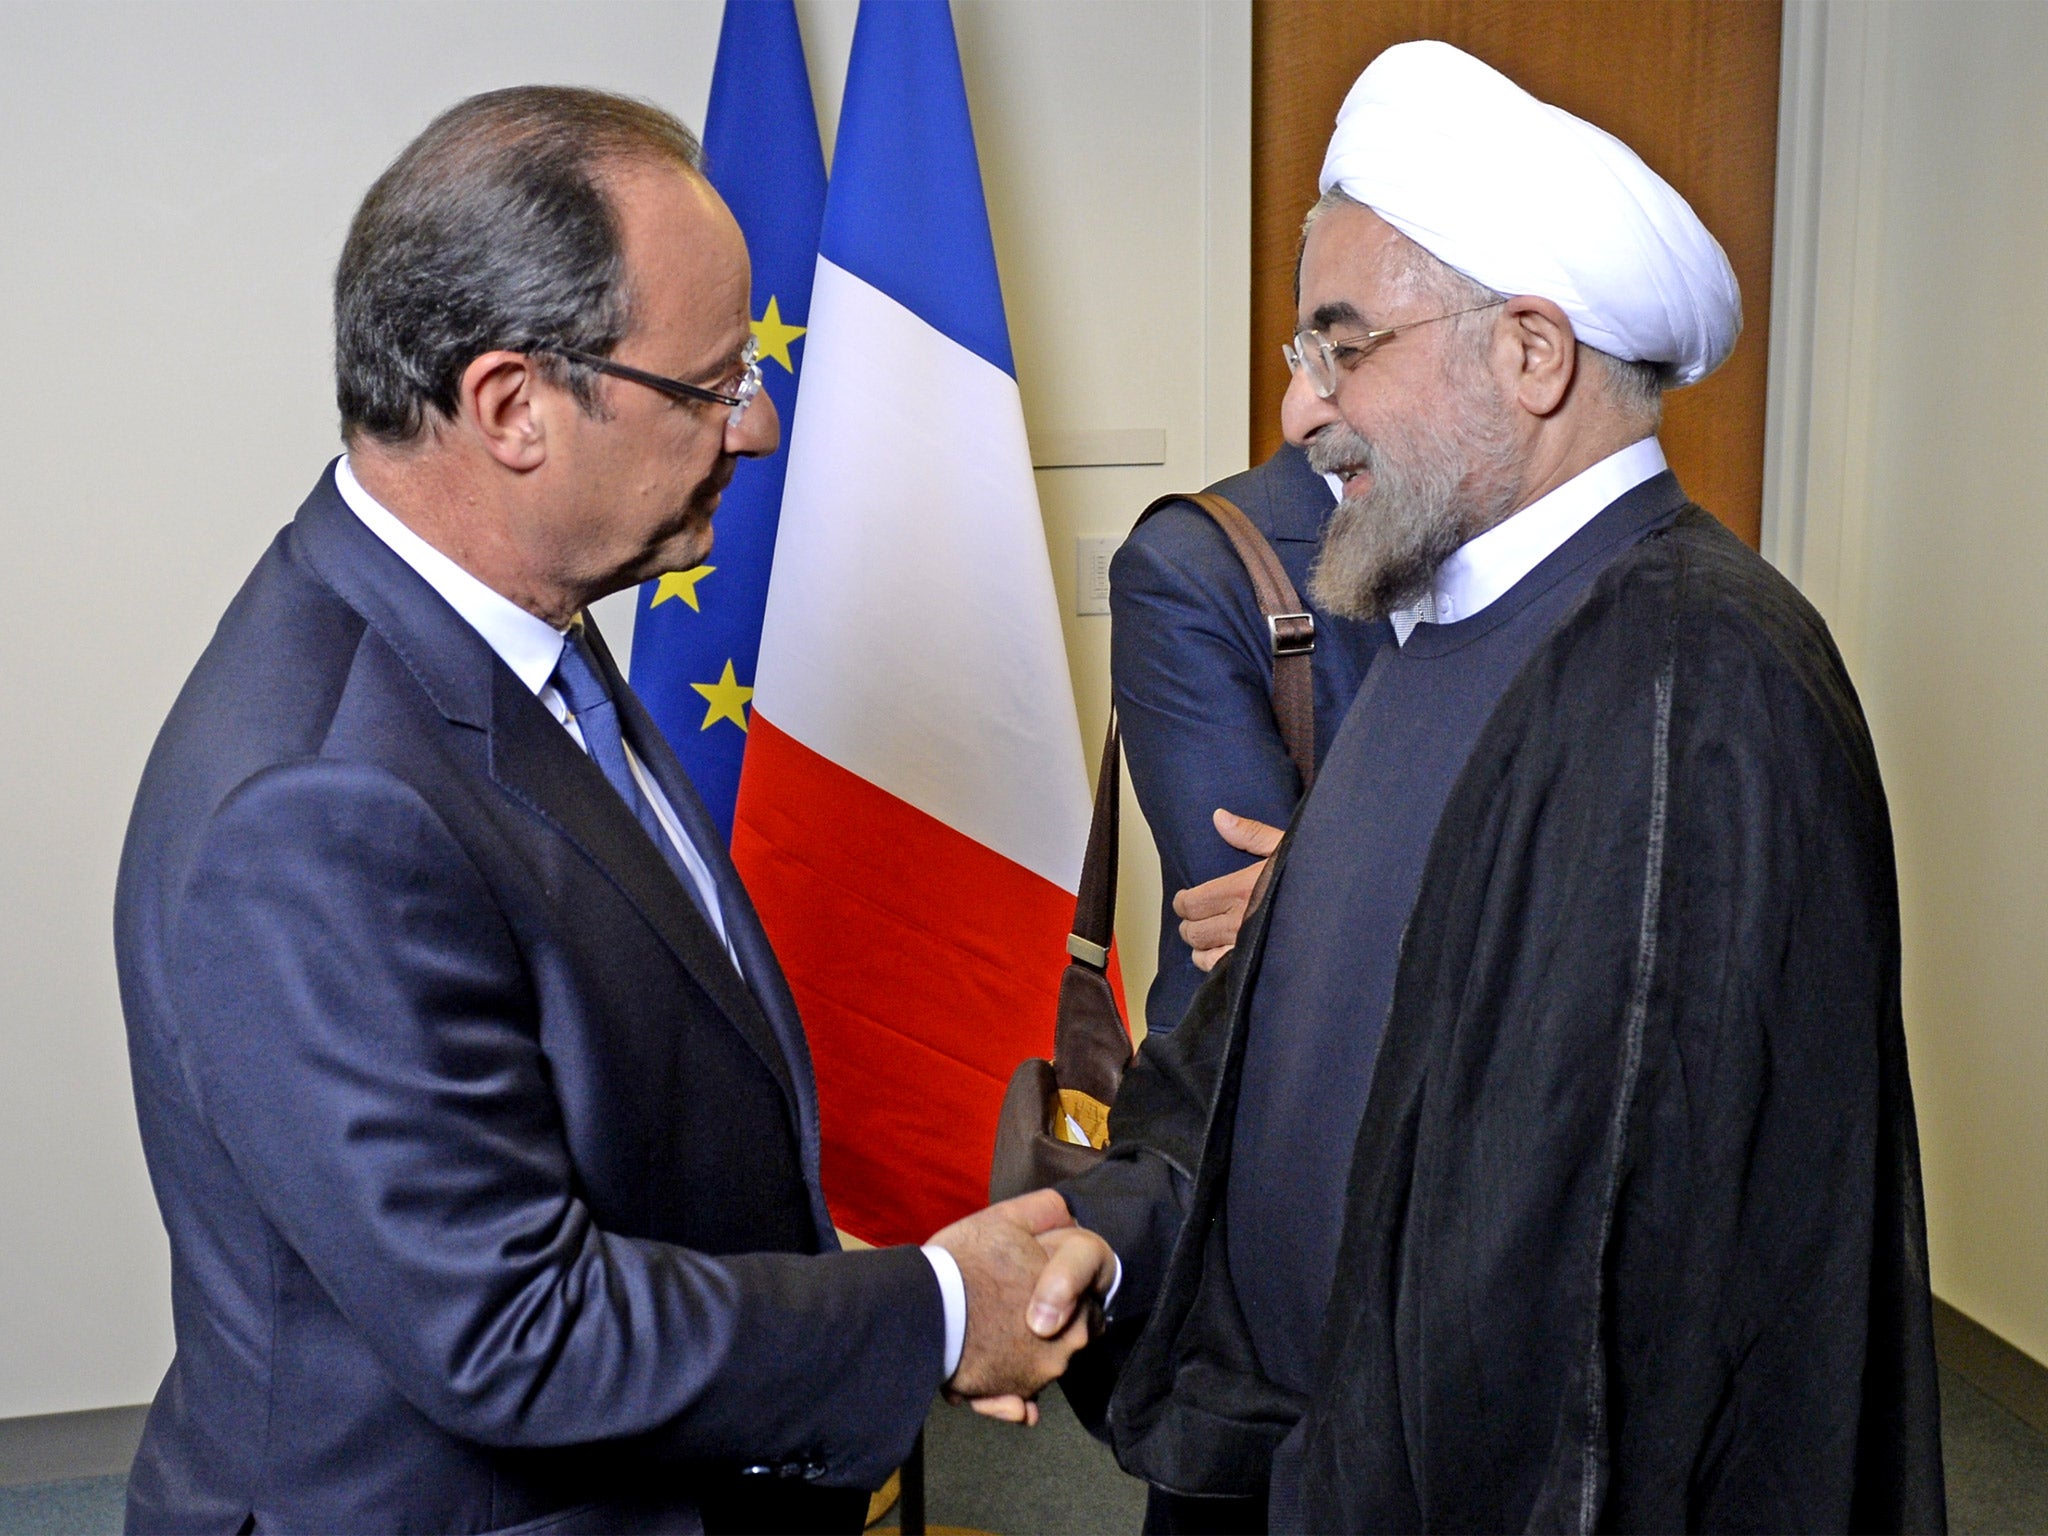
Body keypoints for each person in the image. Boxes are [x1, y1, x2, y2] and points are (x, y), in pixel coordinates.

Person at [113, 87, 1112, 1536]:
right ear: (513, 406)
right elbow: (513, 1330)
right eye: (709, 388)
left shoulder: (511, 622)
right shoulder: (323, 801)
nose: (759, 427)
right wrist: (935, 1311)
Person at [1048, 42, 1946, 1534]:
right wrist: (1119, 1239)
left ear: (1531, 354)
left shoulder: (1695, 682)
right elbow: (1284, 1060)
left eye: (1345, 349)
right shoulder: (1437, 629)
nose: (1299, 412)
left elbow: (1611, 1327)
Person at [1110, 445, 1382, 1033]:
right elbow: (1245, 909)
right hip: (1255, 1067)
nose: (1299, 409)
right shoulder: (1185, 560)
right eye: (1318, 355)